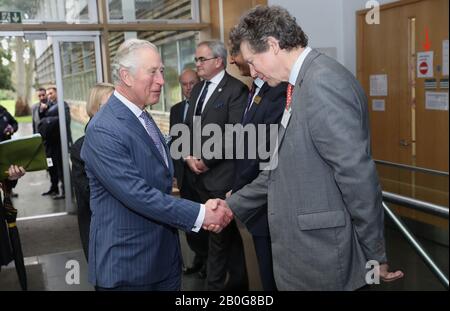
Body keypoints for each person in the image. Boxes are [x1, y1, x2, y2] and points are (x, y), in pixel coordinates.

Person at [217, 6, 404, 290]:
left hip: (324, 255)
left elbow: (356, 176)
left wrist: (374, 255)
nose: (252, 71)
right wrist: (231, 206)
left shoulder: (322, 82)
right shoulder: (301, 83)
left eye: (253, 61)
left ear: (272, 45)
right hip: (305, 252)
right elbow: (280, 169)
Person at [80, 39, 233, 291]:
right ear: (125, 76)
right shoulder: (104, 129)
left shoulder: (140, 114)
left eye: (161, 71)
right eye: (153, 72)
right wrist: (202, 213)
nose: (162, 80)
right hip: (128, 269)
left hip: (163, 261)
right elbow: (137, 194)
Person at [183, 40, 248, 290]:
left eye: (202, 59)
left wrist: (206, 160)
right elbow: (188, 127)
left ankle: (214, 289)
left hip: (221, 177)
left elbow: (236, 134)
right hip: (198, 177)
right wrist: (189, 156)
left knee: (218, 238)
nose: (197, 64)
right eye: (196, 59)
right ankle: (240, 284)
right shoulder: (198, 89)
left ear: (218, 61)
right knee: (226, 236)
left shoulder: (236, 90)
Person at [227, 27, 287, 291]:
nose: (234, 60)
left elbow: (264, 151)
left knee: (274, 277)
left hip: (268, 202)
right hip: (255, 199)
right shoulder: (255, 89)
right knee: (265, 273)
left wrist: (239, 192)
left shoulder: (277, 90)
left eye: (238, 54)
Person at [169, 68, 208, 278]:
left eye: (192, 83)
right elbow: (175, 142)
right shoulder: (175, 110)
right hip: (184, 176)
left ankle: (210, 262)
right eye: (184, 84)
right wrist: (175, 172)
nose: (188, 88)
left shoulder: (207, 108)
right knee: (190, 221)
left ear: (200, 82)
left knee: (207, 220)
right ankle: (198, 257)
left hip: (205, 174)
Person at [70, 82, 114, 261]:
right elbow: (89, 194)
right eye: (109, 104)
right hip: (101, 232)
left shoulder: (123, 137)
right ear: (95, 108)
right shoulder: (81, 148)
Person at [38, 86, 72, 199]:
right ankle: (54, 188)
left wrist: (50, 120)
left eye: (51, 93)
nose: (49, 96)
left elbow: (65, 121)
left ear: (57, 93)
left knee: (62, 167)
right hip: (49, 144)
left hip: (60, 142)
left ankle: (66, 191)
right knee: (51, 166)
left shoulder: (63, 105)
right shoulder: (48, 106)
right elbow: (42, 123)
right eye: (48, 94)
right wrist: (43, 111)